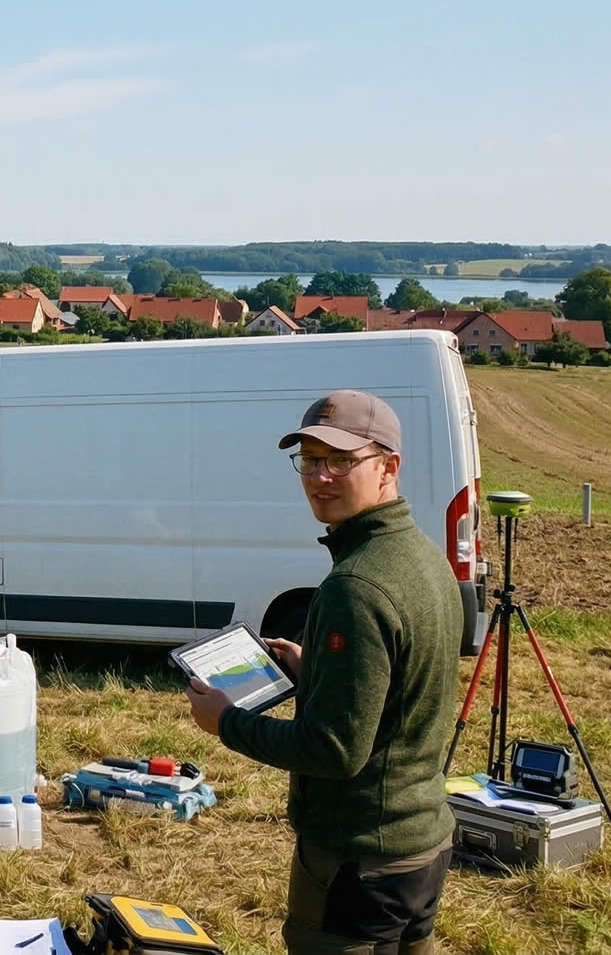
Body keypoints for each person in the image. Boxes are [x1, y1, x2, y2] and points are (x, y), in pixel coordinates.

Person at [185, 390, 463, 955]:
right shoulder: (424, 557)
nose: (321, 476)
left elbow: (335, 750)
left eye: (342, 460)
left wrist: (227, 721)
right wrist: (319, 670)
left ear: (389, 466)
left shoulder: (356, 586)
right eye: (310, 461)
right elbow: (404, 685)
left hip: (358, 859)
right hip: (423, 843)